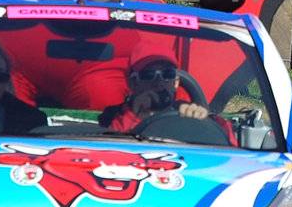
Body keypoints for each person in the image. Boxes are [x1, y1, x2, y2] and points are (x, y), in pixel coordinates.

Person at [99, 50, 235, 142]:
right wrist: (136, 114)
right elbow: (110, 149)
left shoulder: (189, 112)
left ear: (176, 82)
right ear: (133, 82)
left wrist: (203, 122)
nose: (159, 82)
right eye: (149, 75)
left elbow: (232, 157)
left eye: (167, 74)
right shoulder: (111, 118)